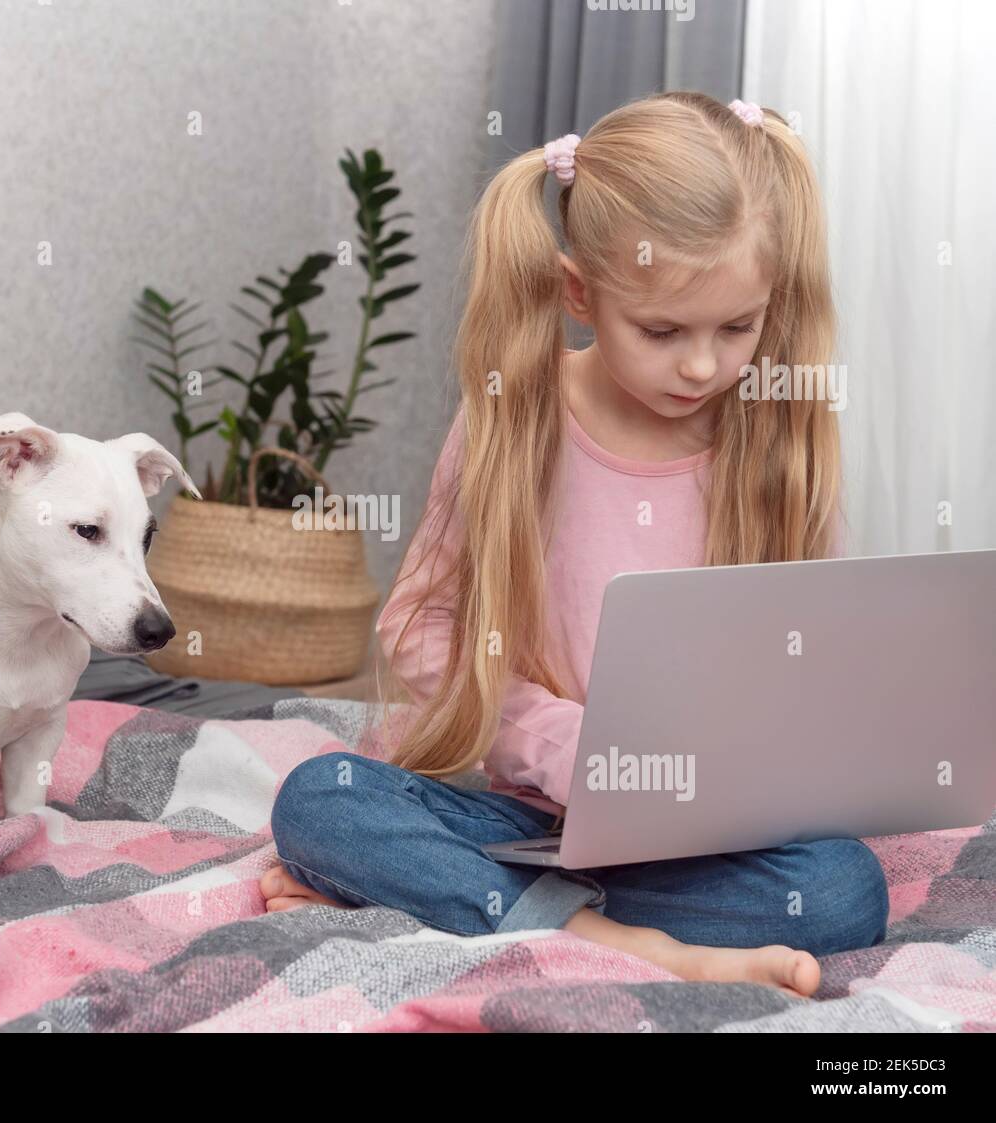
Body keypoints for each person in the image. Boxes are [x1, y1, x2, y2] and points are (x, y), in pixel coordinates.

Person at [262, 92, 888, 999]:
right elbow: (419, 625)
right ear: (580, 291)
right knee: (324, 801)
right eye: (663, 330)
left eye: (738, 327)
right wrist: (566, 745)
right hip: (522, 815)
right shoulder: (515, 420)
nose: (704, 366)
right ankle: (637, 947)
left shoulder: (778, 442)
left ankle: (489, 909)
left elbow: (814, 660)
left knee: (841, 890)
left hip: (700, 840)